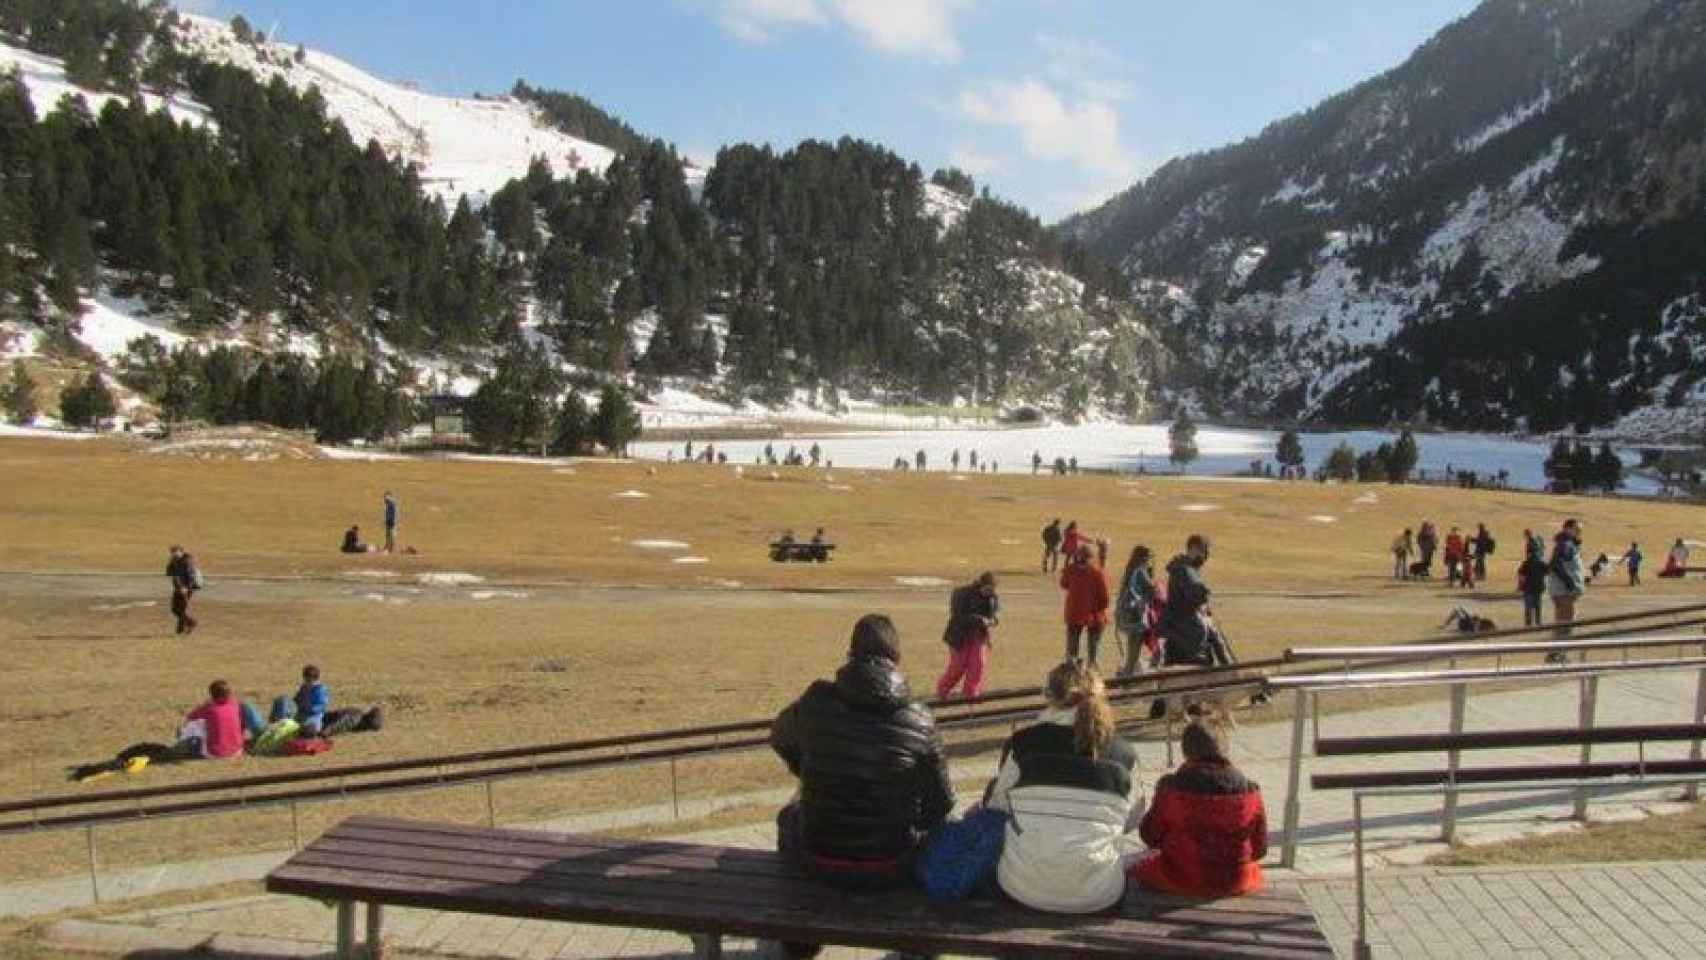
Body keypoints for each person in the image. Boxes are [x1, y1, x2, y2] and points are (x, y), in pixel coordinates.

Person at [769, 615, 953, 960]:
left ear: (850, 654)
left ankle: (797, 942)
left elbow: (778, 737)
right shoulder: (919, 719)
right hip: (893, 862)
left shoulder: (815, 702)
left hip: (818, 856)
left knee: (786, 817)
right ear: (896, 659)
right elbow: (941, 804)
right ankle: (918, 949)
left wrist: (803, 768)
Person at [983, 662, 1142, 914]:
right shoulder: (1123, 753)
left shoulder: (1022, 744)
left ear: (1048, 696)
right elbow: (1132, 821)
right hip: (1098, 895)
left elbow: (997, 807)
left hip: (1022, 888)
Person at [1131, 705, 1267, 898]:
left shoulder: (1171, 788)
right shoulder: (1251, 791)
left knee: (1137, 868)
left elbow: (1149, 835)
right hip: (1236, 881)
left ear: (1186, 751)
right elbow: (1260, 850)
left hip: (1182, 878)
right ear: (1225, 749)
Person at [937, 573, 999, 700]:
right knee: (958, 665)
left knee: (978, 663)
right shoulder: (962, 594)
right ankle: (943, 690)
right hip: (960, 634)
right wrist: (979, 619)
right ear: (981, 585)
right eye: (987, 590)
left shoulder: (992, 598)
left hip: (979, 635)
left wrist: (991, 621)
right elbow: (957, 616)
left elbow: (995, 617)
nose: (989, 593)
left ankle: (971, 693)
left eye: (992, 591)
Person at [1115, 545, 1161, 678]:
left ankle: (1128, 675)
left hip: (1127, 616)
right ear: (1144, 558)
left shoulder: (1130, 570)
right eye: (1149, 558)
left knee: (1133, 652)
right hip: (1136, 618)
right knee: (1134, 655)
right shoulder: (1140, 571)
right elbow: (1152, 590)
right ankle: (1127, 681)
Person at [1060, 545, 1110, 666]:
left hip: (1073, 613)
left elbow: (1064, 584)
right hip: (1094, 614)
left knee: (1072, 649)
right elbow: (1104, 597)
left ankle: (1071, 671)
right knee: (1093, 650)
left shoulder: (1070, 570)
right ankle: (1091, 672)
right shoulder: (1096, 573)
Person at [183, 680, 256, 759]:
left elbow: (190, 716)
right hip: (237, 751)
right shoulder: (236, 704)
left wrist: (203, 705)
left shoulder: (209, 707)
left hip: (214, 753)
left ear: (212, 694)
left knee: (196, 723)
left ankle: (185, 743)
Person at [1546, 519, 1586, 664]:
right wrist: (1570, 583)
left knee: (1562, 623)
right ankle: (1558, 654)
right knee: (1566, 624)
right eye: (1577, 529)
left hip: (1562, 591)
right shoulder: (1565, 544)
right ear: (1567, 529)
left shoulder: (1568, 544)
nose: (1579, 533)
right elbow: (1555, 564)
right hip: (1564, 592)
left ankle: (1555, 653)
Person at [270, 665, 330, 736]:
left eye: (308, 680)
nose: (306, 682)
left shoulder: (320, 690)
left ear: (314, 679)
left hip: (312, 718)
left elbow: (321, 706)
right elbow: (297, 699)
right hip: (300, 714)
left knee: (306, 728)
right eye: (305, 679)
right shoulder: (304, 687)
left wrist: (307, 708)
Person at [165, 545, 199, 635]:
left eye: (176, 552)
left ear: (181, 552)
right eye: (172, 552)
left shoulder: (187, 561)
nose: (174, 554)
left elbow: (191, 576)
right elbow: (168, 573)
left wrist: (186, 587)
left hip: (186, 588)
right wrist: (170, 562)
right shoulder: (175, 561)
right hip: (177, 587)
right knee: (175, 609)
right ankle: (188, 624)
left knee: (182, 609)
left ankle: (188, 625)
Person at [1517, 539, 1548, 627]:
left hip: (1529, 589)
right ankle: (1538, 623)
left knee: (1529, 608)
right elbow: (1548, 572)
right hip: (1538, 588)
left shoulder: (1526, 563)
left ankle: (1528, 625)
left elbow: (1521, 575)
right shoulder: (1541, 563)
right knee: (1538, 607)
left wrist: (1521, 585)